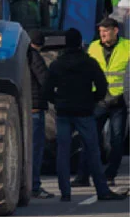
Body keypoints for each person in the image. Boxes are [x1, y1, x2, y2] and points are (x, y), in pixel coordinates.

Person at [45, 28, 126, 201]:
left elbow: (47, 90)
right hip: (84, 112)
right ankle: (102, 190)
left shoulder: (56, 65)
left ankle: (65, 193)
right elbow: (102, 86)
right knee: (93, 151)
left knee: (63, 153)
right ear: (80, 43)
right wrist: (93, 100)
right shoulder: (89, 63)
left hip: (64, 113)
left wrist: (58, 102)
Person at [74, 17, 129, 187]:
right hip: (98, 101)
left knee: (117, 140)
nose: (103, 35)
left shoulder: (127, 47)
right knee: (89, 139)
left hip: (119, 101)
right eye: (100, 32)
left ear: (115, 31)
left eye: (106, 31)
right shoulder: (94, 47)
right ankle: (83, 176)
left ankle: (110, 174)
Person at [28, 31, 53, 199]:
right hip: (35, 108)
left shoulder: (16, 56)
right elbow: (45, 79)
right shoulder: (34, 56)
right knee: (35, 150)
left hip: (25, 108)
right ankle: (35, 186)